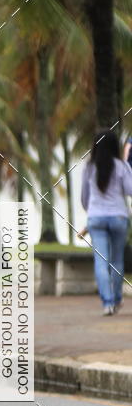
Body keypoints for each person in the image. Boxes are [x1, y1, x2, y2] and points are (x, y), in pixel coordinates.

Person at [81, 129, 132, 315]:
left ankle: (107, 303)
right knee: (117, 261)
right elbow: (130, 190)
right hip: (119, 217)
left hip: (96, 218)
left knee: (101, 262)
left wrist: (92, 213)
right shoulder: (121, 166)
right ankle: (117, 299)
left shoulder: (88, 168)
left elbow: (84, 197)